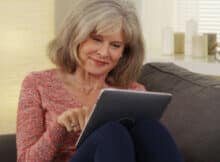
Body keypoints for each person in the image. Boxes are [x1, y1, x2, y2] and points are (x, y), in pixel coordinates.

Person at [16, 0, 184, 162]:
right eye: (96, 39)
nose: (104, 52)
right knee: (111, 133)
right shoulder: (38, 84)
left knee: (150, 128)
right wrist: (60, 127)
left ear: (124, 53)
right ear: (76, 36)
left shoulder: (134, 92)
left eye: (115, 45)